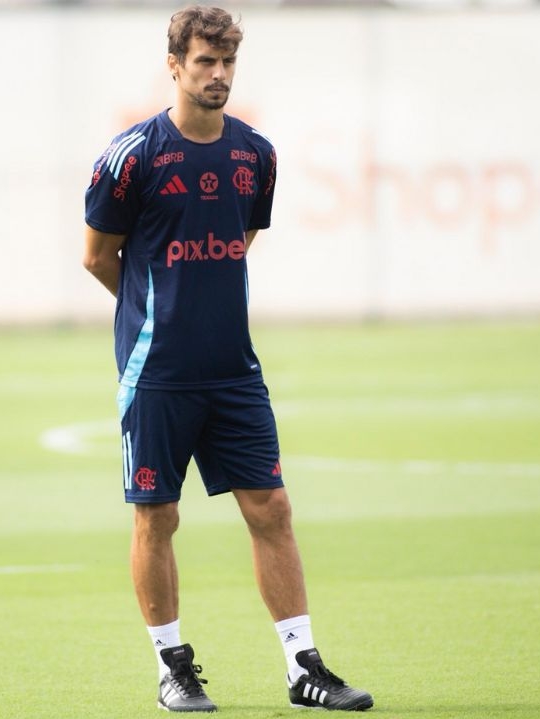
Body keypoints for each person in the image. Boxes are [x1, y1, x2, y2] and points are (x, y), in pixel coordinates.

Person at [81, 5, 374, 714]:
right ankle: (172, 666)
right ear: (174, 65)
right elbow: (97, 256)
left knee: (271, 506)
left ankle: (303, 665)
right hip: (156, 373)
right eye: (205, 62)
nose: (217, 75)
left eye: (227, 63)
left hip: (234, 370)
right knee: (157, 516)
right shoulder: (133, 157)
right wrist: (159, 313)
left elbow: (239, 239)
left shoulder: (255, 154)